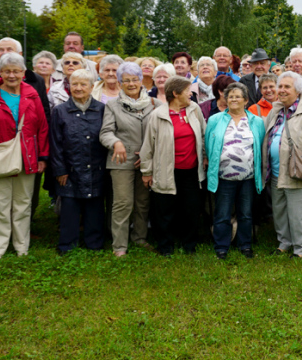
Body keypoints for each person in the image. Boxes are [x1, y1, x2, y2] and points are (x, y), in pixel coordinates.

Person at [0, 53, 49, 259]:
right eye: (7, 71)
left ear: (24, 73)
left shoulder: (32, 94)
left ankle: (22, 247)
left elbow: (42, 127)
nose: (12, 75)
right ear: (0, 73)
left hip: (27, 155)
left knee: (23, 204)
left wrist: (43, 156)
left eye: (16, 71)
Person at [262, 72, 302, 258]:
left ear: (298, 91)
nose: (281, 90)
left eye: (286, 87)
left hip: (297, 171)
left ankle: (300, 248)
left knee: (298, 213)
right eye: (280, 86)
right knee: (280, 210)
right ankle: (284, 242)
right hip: (275, 172)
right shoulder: (276, 111)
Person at [141, 76, 207, 256]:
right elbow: (148, 146)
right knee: (164, 210)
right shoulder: (158, 115)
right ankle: (165, 246)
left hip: (191, 171)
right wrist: (146, 172)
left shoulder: (194, 110)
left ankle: (189, 245)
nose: (191, 94)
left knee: (191, 209)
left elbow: (202, 135)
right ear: (176, 93)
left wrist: (205, 157)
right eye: (187, 91)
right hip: (166, 170)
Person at [99, 62, 158, 256]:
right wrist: (115, 142)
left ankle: (139, 238)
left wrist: (149, 153)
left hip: (146, 161)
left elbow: (160, 133)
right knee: (123, 203)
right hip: (121, 160)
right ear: (120, 83)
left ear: (142, 81)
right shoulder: (112, 105)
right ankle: (119, 245)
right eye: (126, 81)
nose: (131, 84)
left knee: (143, 202)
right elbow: (105, 132)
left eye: (135, 79)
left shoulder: (154, 104)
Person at [49, 69, 107, 254]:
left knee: (95, 208)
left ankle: (95, 243)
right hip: (70, 170)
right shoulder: (60, 111)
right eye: (75, 84)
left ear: (91, 87)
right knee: (69, 209)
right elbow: (55, 143)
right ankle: (67, 244)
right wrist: (60, 170)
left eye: (83, 84)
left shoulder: (102, 109)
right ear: (69, 86)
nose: (79, 88)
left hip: (96, 168)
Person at [206, 82, 264, 260]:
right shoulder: (215, 120)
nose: (233, 99)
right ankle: (221, 246)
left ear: (246, 100)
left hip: (248, 176)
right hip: (224, 176)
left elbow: (259, 145)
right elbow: (209, 143)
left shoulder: (256, 121)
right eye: (230, 96)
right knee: (222, 213)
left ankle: (245, 245)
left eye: (238, 96)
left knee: (245, 213)